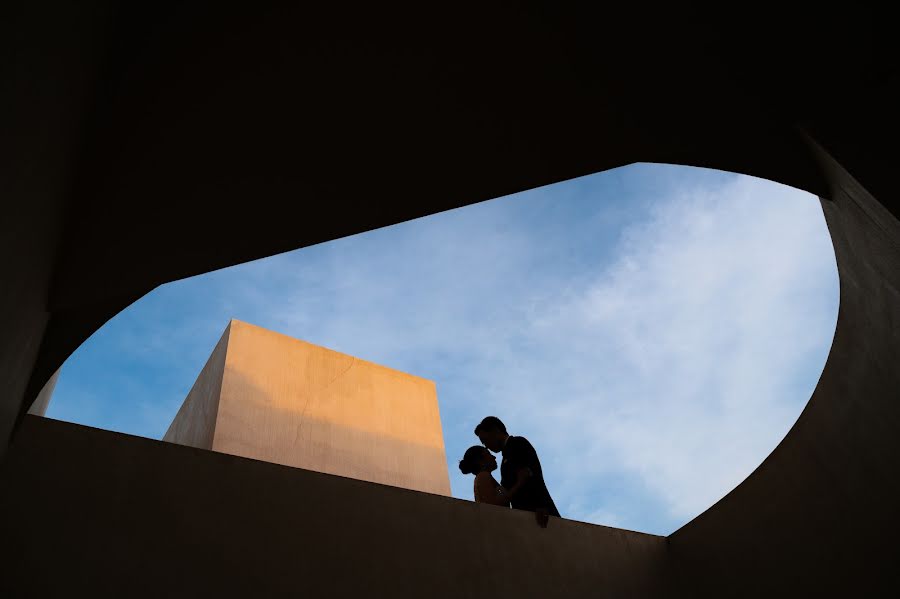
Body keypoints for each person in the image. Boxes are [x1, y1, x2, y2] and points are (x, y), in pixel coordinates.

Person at [475, 416, 559, 527]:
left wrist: (541, 505)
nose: (486, 446)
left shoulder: (517, 443)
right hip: (525, 514)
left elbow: (532, 476)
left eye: (485, 441)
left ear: (495, 431)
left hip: (538, 512)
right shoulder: (506, 456)